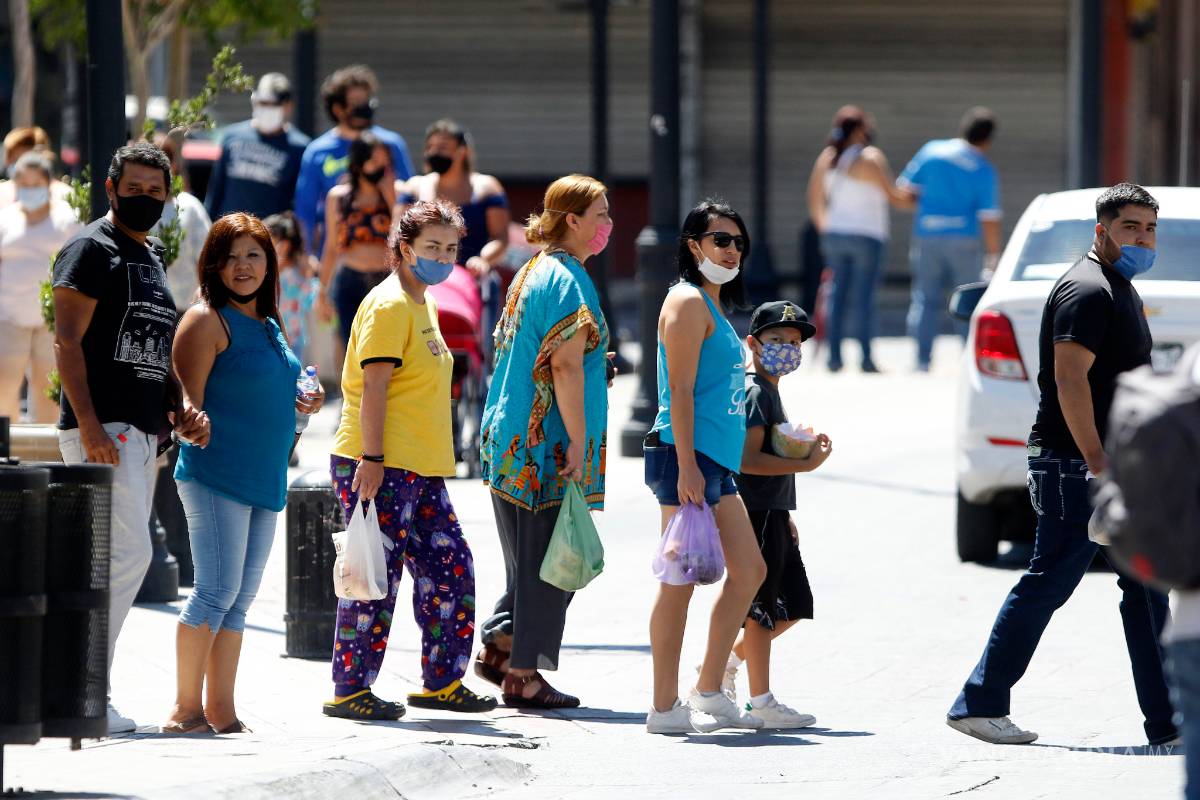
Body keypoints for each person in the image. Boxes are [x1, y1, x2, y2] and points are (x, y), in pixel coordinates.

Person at [946, 183, 1177, 746]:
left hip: (1108, 465)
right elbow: (1069, 378)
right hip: (1079, 466)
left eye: (1149, 228)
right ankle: (978, 702)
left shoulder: (1117, 286)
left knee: (1146, 591)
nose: (1143, 238)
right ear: (1102, 232)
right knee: (1050, 580)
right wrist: (1097, 461)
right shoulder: (1089, 289)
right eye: (1130, 228)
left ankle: (1171, 723)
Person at [52, 142, 210, 734]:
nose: (144, 198)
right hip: (104, 431)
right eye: (134, 188)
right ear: (112, 188)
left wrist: (181, 406)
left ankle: (82, 686)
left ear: (168, 197)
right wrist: (89, 426)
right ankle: (81, 687)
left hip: (142, 433)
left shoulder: (146, 255)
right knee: (127, 556)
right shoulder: (91, 249)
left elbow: (152, 351)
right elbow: (67, 342)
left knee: (116, 559)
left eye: (155, 190)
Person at [322, 200, 496, 721]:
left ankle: (442, 681)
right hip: (379, 462)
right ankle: (350, 689)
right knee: (375, 577)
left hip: (420, 467)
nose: (443, 257)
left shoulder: (425, 304)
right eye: (431, 247)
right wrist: (371, 459)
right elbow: (374, 386)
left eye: (450, 248)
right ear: (404, 249)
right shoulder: (390, 304)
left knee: (451, 568)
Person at [163, 213, 323, 734]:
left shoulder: (269, 324)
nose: (242, 266)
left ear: (269, 263)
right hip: (216, 476)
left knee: (238, 601)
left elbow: (278, 404)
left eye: (253, 255)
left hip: (264, 479)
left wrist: (305, 404)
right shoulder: (206, 319)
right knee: (213, 591)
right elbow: (186, 403)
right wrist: (191, 421)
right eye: (231, 256)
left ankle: (221, 711)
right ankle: (185, 710)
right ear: (213, 263)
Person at [475, 174, 612, 710]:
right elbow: (565, 364)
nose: (607, 225)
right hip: (544, 444)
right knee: (554, 562)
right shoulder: (568, 280)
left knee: (529, 559)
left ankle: (502, 647)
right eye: (599, 214)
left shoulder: (532, 270)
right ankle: (523, 675)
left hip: (508, 438)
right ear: (572, 219)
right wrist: (577, 440)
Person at [642, 199, 769, 735]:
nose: (731, 250)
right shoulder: (687, 303)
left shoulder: (712, 307)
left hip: (711, 462)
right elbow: (680, 392)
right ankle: (664, 707)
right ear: (693, 246)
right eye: (721, 239)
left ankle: (710, 691)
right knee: (680, 583)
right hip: (683, 458)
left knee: (750, 572)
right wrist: (690, 467)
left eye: (739, 241)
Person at [717, 301, 831, 728]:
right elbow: (747, 460)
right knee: (762, 609)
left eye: (794, 342)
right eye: (776, 340)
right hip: (755, 510)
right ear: (753, 343)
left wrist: (785, 512)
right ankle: (760, 700)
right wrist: (806, 465)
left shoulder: (769, 390)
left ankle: (723, 661)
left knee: (793, 605)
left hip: (772, 511)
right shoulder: (755, 391)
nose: (787, 348)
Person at [807, 106, 912, 373]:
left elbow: (814, 197)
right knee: (864, 298)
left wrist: (825, 228)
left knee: (837, 297)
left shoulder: (828, 158)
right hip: (867, 235)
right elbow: (893, 195)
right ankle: (865, 358)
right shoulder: (870, 158)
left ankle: (834, 358)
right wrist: (917, 198)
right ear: (859, 130)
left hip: (835, 235)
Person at [898, 107, 1002, 372]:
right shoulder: (983, 168)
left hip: (928, 236)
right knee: (967, 301)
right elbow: (989, 216)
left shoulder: (931, 151)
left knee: (924, 298)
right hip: (964, 240)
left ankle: (922, 361)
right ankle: (969, 361)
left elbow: (905, 191)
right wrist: (993, 254)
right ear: (988, 139)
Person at [293, 65, 414, 256]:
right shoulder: (318, 152)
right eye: (356, 102)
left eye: (366, 100)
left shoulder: (391, 144)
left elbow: (410, 198)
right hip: (339, 255)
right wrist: (305, 255)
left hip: (387, 254)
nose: (364, 107)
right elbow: (305, 211)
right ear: (338, 109)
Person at [0, 152, 81, 422]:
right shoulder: (5, 219)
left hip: (53, 321)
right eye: (24, 184)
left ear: (48, 184)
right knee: (3, 390)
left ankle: (46, 451)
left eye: (36, 184)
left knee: (49, 392)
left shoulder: (67, 220)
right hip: (9, 318)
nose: (30, 190)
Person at [396, 119, 510, 276]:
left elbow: (500, 238)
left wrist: (482, 260)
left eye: (443, 147)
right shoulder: (415, 187)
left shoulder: (486, 187)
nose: (434, 153)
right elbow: (397, 235)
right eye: (430, 147)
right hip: (424, 278)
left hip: (473, 278)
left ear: (462, 151)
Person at [316, 131, 395, 346]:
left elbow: (404, 234)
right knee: (350, 344)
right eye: (374, 161)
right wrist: (322, 291)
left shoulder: (396, 195)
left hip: (385, 280)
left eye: (384, 162)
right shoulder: (339, 197)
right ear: (359, 162)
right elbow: (331, 246)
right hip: (349, 279)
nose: (380, 167)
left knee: (386, 345)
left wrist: (391, 199)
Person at [204, 74, 311, 221]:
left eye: (272, 104)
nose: (265, 108)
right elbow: (215, 192)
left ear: (288, 106)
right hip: (228, 233)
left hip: (268, 238)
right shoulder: (232, 137)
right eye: (261, 103)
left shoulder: (300, 148)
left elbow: (299, 203)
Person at [152, 133, 212, 311]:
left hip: (185, 309)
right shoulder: (132, 208)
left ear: (173, 165)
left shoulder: (189, 207)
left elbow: (207, 258)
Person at [264, 211, 319, 366]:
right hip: (278, 337)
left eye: (268, 242)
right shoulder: (274, 272)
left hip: (291, 339)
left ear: (284, 246)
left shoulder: (295, 274)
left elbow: (309, 301)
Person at [0, 126, 72, 207]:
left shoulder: (65, 195)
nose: (8, 163)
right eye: (10, 159)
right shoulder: (2, 193)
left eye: (18, 160)